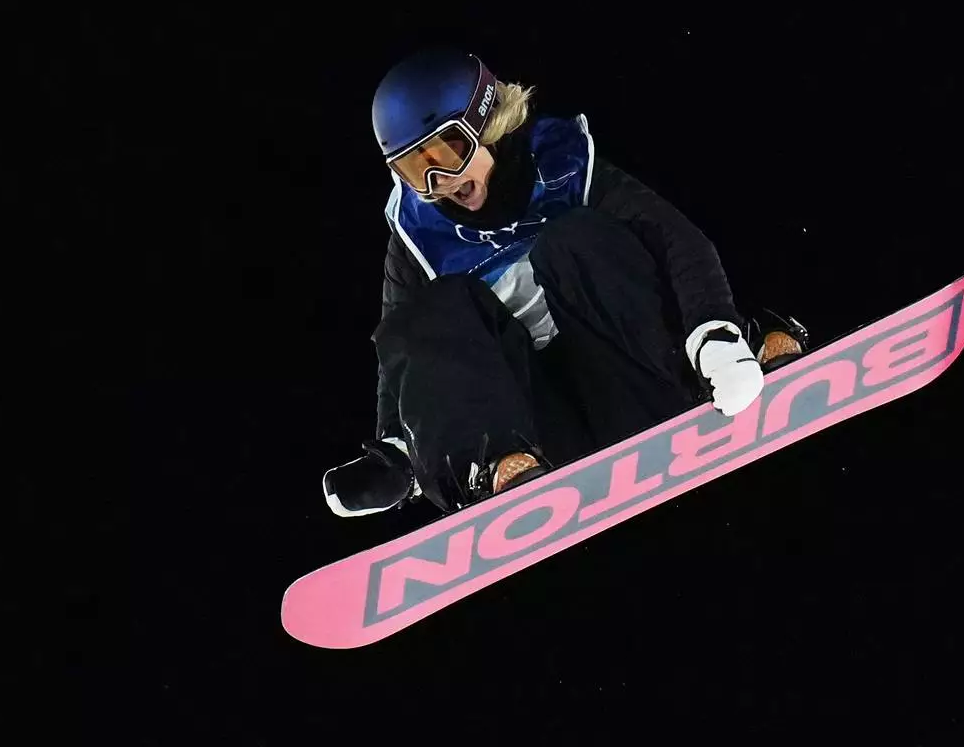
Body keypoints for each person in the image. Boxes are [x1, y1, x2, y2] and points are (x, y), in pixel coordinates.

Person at [323, 47, 808, 517]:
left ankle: (715, 360)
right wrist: (396, 453)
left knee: (570, 239)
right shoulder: (417, 235)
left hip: (634, 375)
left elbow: (675, 239)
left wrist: (715, 329)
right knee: (433, 309)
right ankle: (497, 469)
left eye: (447, 152)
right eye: (414, 168)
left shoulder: (562, 164)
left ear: (487, 124)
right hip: (538, 423)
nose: (438, 181)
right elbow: (405, 351)